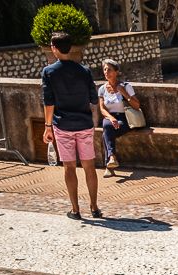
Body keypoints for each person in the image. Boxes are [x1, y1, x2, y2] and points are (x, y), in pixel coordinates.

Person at [41, 32, 102, 220]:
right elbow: (93, 99)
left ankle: (75, 209)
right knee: (89, 166)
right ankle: (94, 207)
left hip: (63, 124)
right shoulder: (84, 71)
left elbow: (48, 102)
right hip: (84, 123)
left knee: (69, 167)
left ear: (54, 48)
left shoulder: (49, 72)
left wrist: (47, 126)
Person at [97, 58, 141, 176]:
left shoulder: (126, 86)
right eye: (105, 69)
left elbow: (137, 106)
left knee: (106, 132)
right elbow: (102, 108)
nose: (106, 72)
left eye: (109, 70)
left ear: (116, 72)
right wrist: (111, 118)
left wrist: (124, 93)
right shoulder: (102, 89)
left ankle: (109, 165)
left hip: (126, 118)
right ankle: (111, 157)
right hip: (110, 118)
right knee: (107, 126)